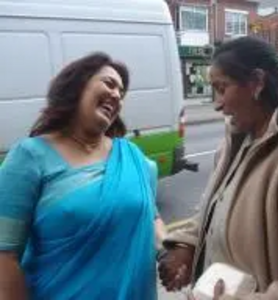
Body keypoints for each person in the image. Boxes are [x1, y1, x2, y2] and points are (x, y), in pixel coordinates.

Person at [158, 36, 278, 299]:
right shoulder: (232, 146)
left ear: (257, 83)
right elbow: (211, 212)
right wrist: (186, 246)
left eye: (222, 88)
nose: (217, 103)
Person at [0, 52, 160, 299]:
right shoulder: (30, 156)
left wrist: (173, 249)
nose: (117, 94)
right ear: (77, 85)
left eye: (122, 92)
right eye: (109, 83)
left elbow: (152, 219)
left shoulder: (132, 157)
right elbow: (5, 255)